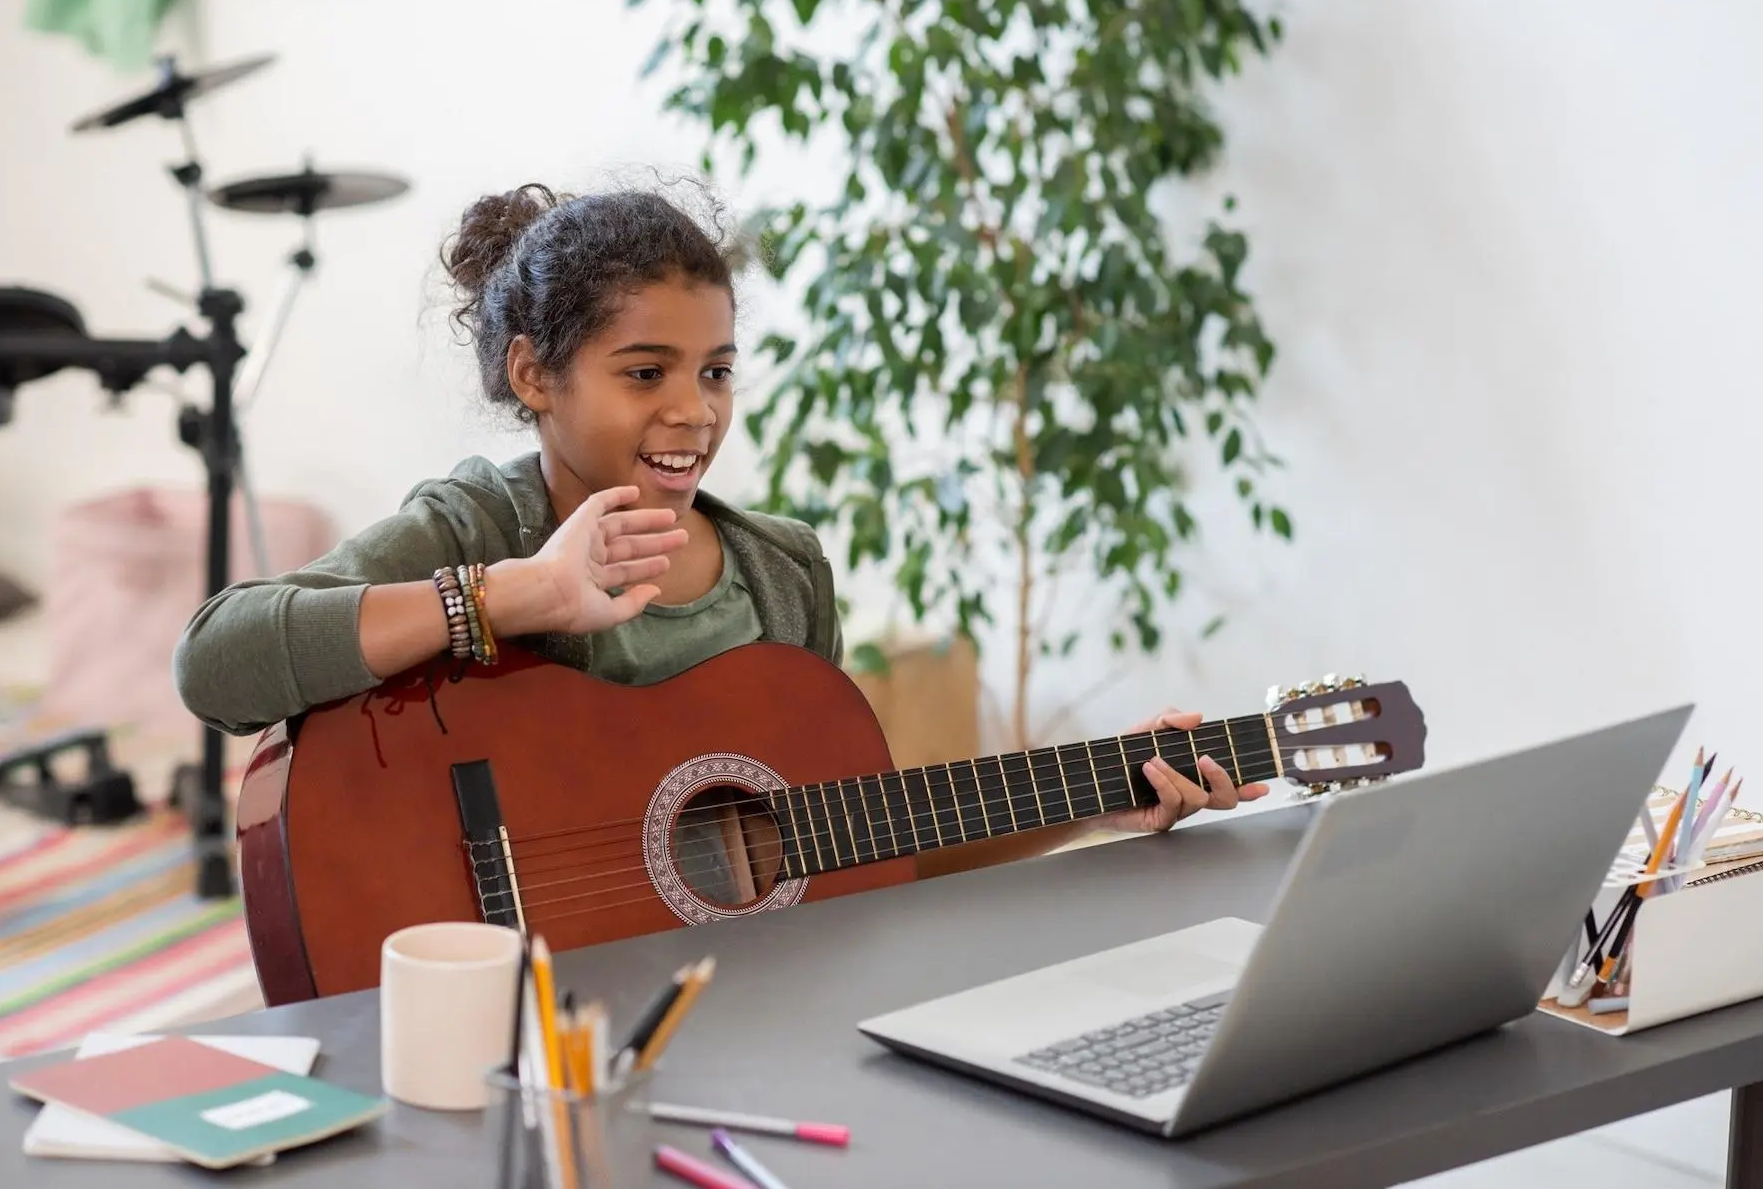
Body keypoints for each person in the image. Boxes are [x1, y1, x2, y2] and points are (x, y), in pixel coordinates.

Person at [172, 182, 1270, 886]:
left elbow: (848, 848)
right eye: (644, 372)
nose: (694, 410)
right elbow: (216, 660)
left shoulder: (779, 573)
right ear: (534, 376)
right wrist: (514, 598)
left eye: (717, 369)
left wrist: (1101, 799)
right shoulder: (481, 524)